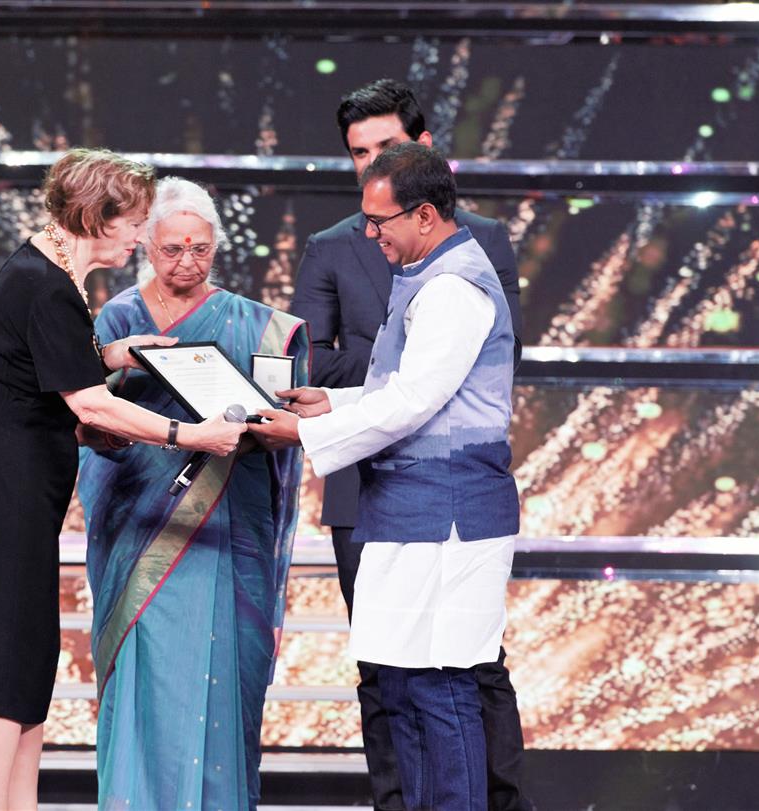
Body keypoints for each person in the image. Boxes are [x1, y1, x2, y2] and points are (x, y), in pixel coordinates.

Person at [0, 151, 246, 811]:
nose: (138, 239)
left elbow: (43, 371)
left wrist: (122, 353)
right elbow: (90, 403)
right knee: (4, 669)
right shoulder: (43, 283)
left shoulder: (45, 274)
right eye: (133, 223)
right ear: (98, 216)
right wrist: (191, 435)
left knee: (26, 665)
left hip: (17, 491)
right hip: (6, 495)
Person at [251, 142, 520, 811]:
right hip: (408, 512)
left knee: (443, 682)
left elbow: (412, 403)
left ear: (425, 215)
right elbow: (406, 390)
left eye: (382, 221)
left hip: (449, 515)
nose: (372, 235)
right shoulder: (428, 277)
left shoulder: (455, 288)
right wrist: (330, 403)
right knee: (401, 682)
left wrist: (304, 432)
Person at [76, 177, 310, 811]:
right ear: (146, 244)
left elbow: (287, 425)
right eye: (172, 248)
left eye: (200, 249)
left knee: (221, 678)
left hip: (227, 530)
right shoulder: (117, 319)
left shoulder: (261, 329)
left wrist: (255, 430)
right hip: (140, 525)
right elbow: (84, 420)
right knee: (146, 676)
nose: (187, 262)